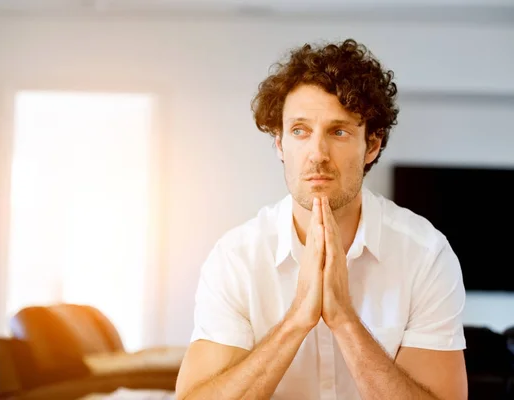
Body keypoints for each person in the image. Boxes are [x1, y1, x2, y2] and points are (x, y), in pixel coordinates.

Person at [175, 38, 467, 400]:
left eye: (338, 131)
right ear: (280, 143)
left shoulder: (426, 255)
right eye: (300, 131)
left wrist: (344, 319)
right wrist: (298, 318)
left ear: (372, 145)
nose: (317, 154)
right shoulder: (236, 258)